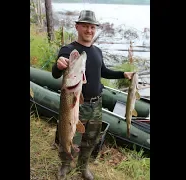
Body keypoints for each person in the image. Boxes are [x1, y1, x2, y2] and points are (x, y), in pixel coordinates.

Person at [52, 10, 134, 180]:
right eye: (85, 26)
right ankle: (65, 164)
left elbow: (103, 71)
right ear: (77, 27)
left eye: (92, 27)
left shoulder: (97, 51)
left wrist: (122, 74)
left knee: (91, 138)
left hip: (96, 104)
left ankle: (83, 166)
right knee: (67, 134)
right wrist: (59, 65)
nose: (89, 30)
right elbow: (56, 73)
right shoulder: (68, 49)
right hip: (75, 103)